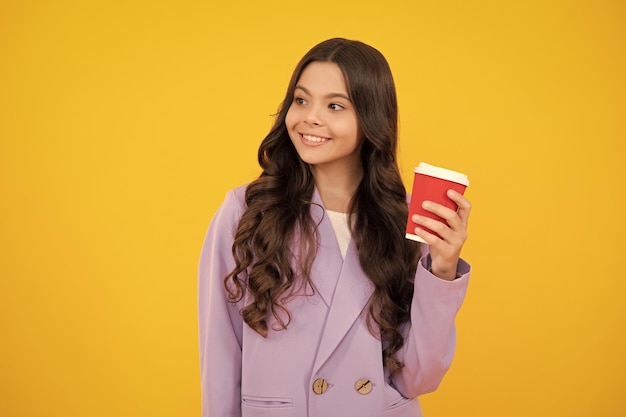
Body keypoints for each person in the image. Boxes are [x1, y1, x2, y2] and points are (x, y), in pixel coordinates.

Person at [198, 38, 472, 417]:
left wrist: (441, 270)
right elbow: (220, 357)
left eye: (335, 105)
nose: (310, 117)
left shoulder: (407, 218)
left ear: (372, 118)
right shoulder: (246, 211)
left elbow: (418, 378)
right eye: (301, 99)